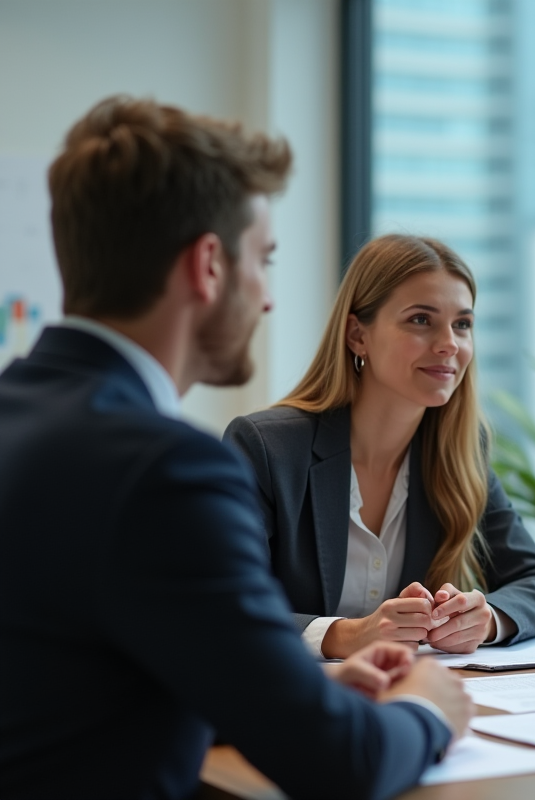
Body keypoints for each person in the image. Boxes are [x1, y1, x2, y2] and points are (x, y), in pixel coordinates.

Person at [0, 97, 473, 800]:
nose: (270, 299)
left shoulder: (20, 414)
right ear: (209, 266)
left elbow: (71, 686)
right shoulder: (168, 469)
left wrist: (276, 683)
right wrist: (430, 706)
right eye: (266, 260)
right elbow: (340, 761)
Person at [222, 234, 535, 660]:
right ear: (357, 335)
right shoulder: (267, 448)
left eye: (462, 324)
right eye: (421, 320)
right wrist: (347, 635)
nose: (449, 344)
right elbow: (224, 604)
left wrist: (488, 618)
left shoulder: (459, 451)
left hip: (417, 698)